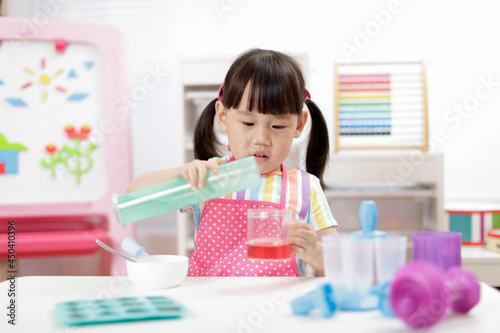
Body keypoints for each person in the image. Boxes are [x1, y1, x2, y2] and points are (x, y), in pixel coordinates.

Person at [126, 48, 338, 277]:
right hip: (211, 307)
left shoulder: (307, 188)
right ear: (223, 116)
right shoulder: (210, 178)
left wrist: (314, 252)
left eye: (277, 126)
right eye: (248, 123)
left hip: (275, 308)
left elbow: (341, 269)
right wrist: (180, 175)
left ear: (299, 125)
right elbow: (132, 199)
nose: (261, 139)